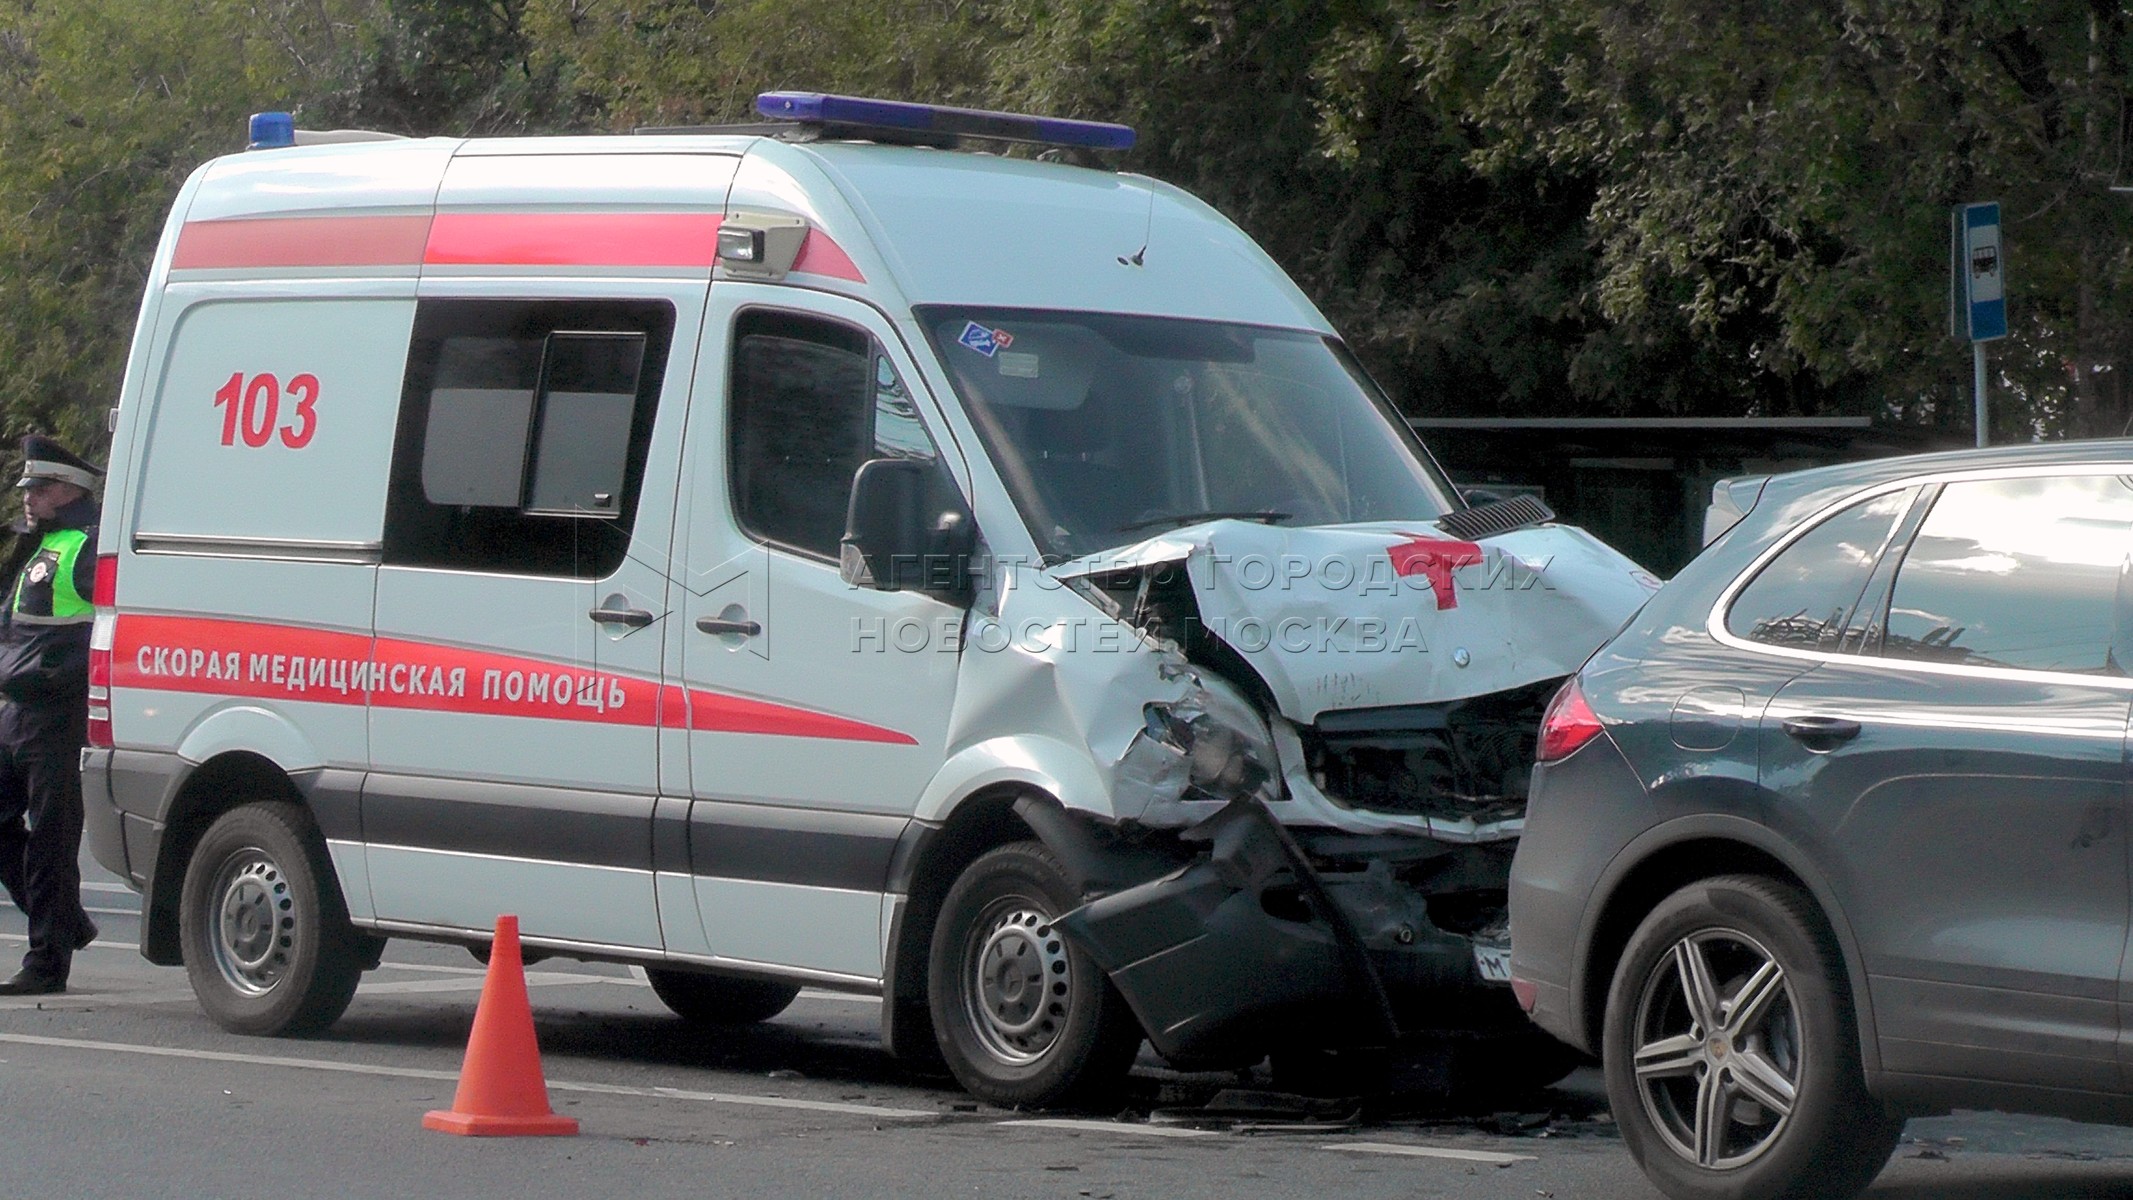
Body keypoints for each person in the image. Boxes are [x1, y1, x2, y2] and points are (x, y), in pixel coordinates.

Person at [0, 434, 101, 994]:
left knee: (51, 844)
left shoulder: (87, 546)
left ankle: (46, 963)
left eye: (37, 488)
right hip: (17, 711)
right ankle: (66, 921)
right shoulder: (43, 545)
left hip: (59, 717)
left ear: (67, 490)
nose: (28, 498)